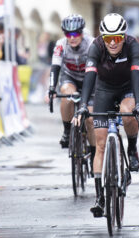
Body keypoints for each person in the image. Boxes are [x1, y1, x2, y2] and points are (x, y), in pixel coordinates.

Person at [73, 13, 139, 217]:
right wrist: (82, 106)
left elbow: (136, 77)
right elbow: (89, 77)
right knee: (101, 144)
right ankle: (100, 197)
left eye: (117, 38)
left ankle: (132, 150)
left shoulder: (133, 46)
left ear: (124, 36)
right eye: (108, 39)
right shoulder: (95, 47)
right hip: (104, 89)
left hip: (127, 88)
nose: (113, 43)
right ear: (102, 38)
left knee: (127, 112)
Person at [48, 14, 97, 174]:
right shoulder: (61, 45)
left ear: (82, 32)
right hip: (70, 78)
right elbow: (55, 67)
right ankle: (67, 131)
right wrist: (51, 88)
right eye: (68, 34)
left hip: (91, 79)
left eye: (76, 33)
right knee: (68, 96)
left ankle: (94, 152)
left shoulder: (91, 43)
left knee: (90, 119)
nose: (72, 37)